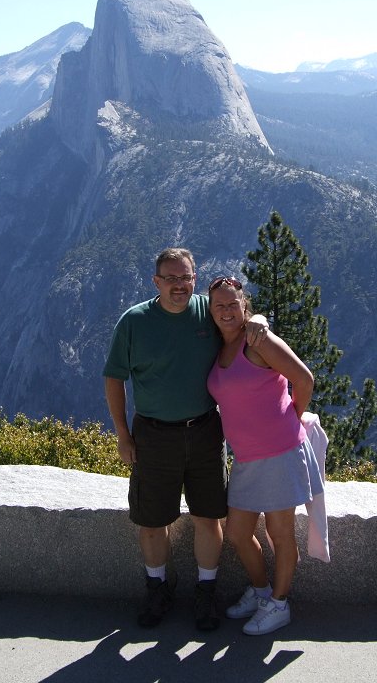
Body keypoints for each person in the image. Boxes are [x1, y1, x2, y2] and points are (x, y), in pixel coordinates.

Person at [103, 248, 269, 631]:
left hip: (205, 432)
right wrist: (123, 435)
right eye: (171, 278)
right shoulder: (134, 321)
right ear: (156, 281)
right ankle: (157, 588)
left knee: (208, 518)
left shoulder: (207, 312)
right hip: (153, 435)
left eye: (186, 278)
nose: (179, 285)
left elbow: (238, 316)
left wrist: (259, 318)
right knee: (151, 521)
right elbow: (114, 378)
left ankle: (205, 593)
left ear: (195, 279)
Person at [207, 276, 323, 636]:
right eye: (219, 305)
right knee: (238, 533)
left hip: (280, 452)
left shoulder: (258, 340)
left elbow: (304, 380)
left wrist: (291, 417)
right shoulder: (219, 345)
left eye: (233, 304)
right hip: (246, 457)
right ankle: (261, 592)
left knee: (280, 532)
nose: (226, 311)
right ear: (211, 310)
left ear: (245, 306)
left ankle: (279, 603)